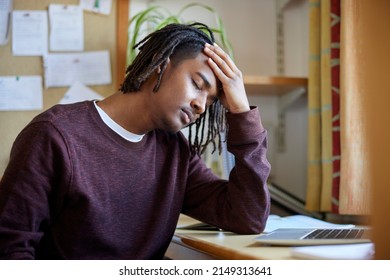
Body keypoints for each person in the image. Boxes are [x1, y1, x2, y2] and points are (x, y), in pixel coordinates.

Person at [0, 22, 271, 259]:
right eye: (198, 85)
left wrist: (241, 112)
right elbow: (9, 248)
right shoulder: (55, 135)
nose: (201, 106)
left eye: (211, 102)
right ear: (159, 66)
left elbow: (247, 217)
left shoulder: (175, 151)